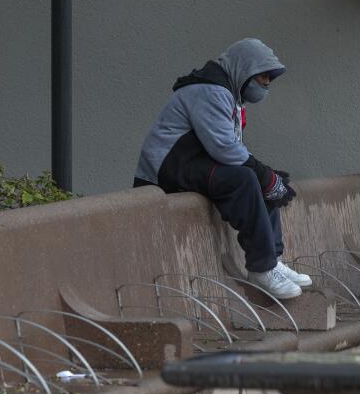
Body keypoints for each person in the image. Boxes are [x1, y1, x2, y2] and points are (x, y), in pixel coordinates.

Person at [133, 37, 310, 299]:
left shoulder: (229, 94)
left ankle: (272, 259)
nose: (267, 84)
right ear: (245, 68)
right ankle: (261, 269)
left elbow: (232, 149)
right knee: (248, 179)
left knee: (264, 180)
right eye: (263, 76)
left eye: (270, 78)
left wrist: (268, 177)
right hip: (163, 173)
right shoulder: (211, 91)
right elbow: (224, 148)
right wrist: (264, 175)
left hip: (191, 163)